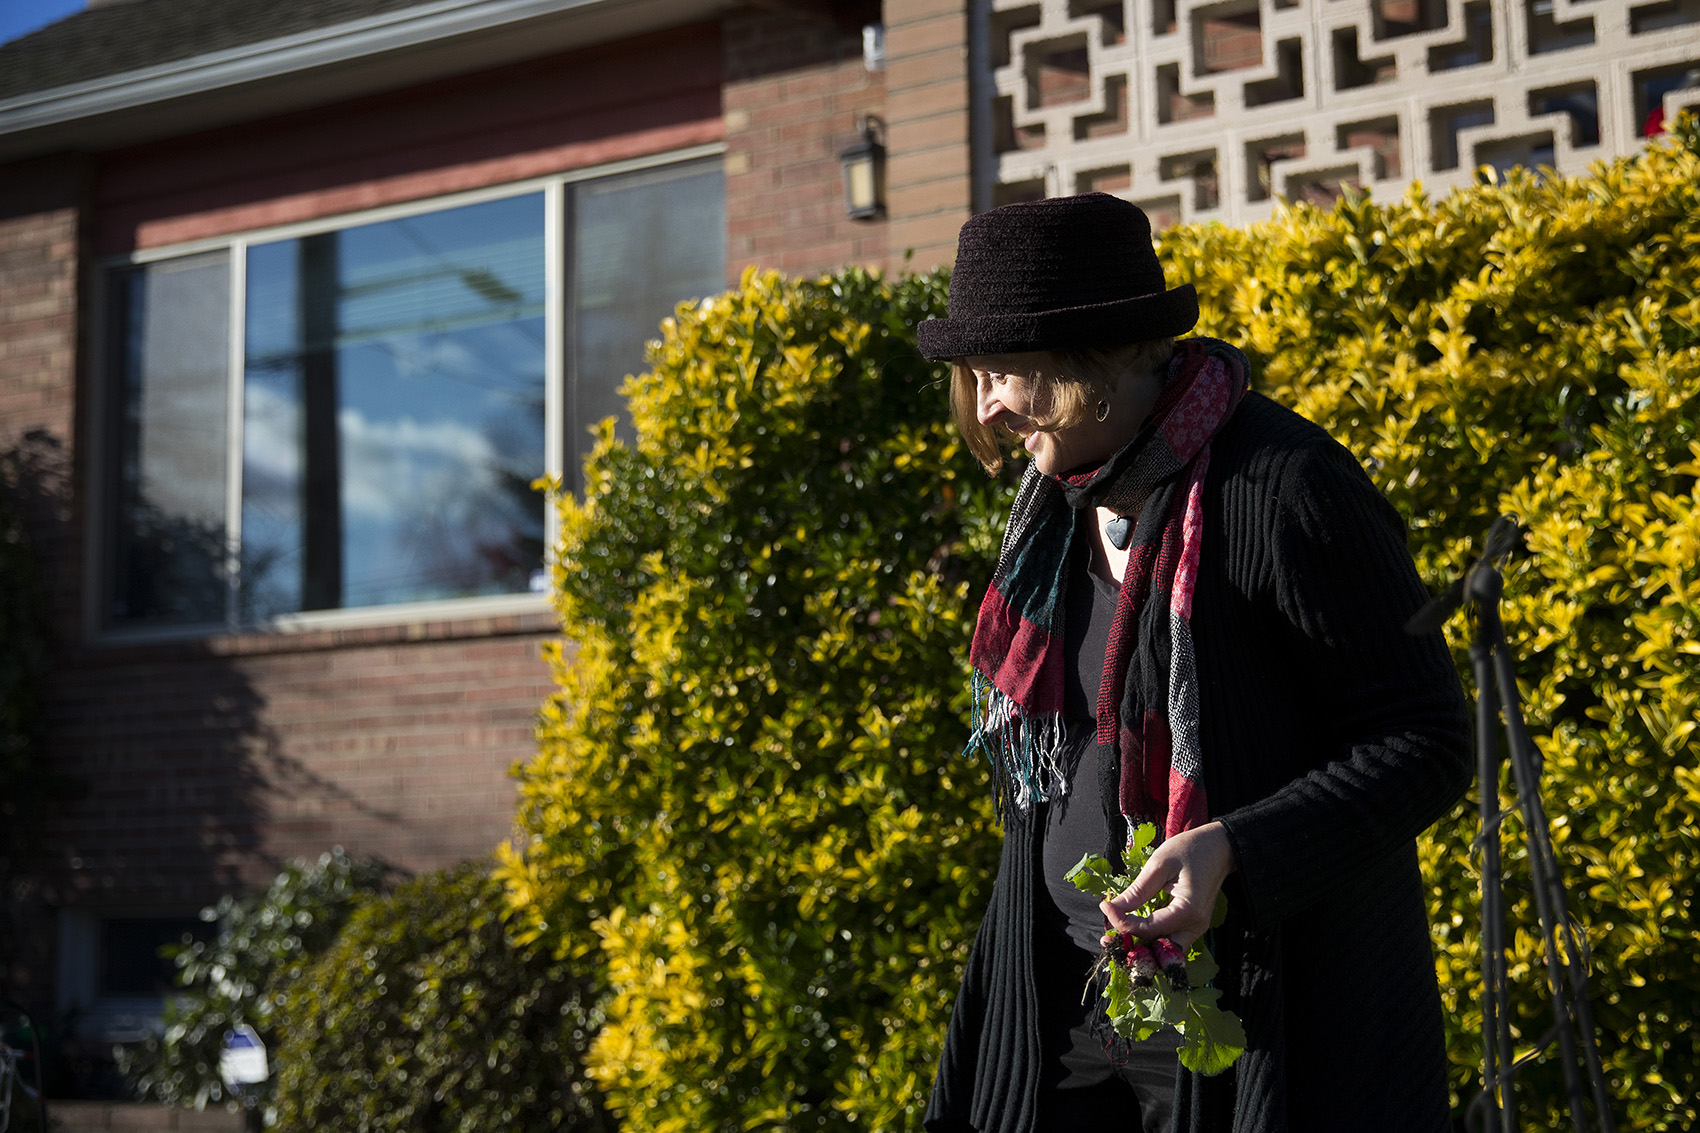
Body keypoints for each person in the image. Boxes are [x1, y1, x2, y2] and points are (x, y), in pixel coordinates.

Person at [915, 193, 1471, 1133]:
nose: (993, 406)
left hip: (1255, 1020)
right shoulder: (1057, 503)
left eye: (1012, 371)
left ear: (1106, 353)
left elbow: (1426, 738)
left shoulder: (1284, 487)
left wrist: (1238, 850)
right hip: (1064, 1001)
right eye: (977, 375)